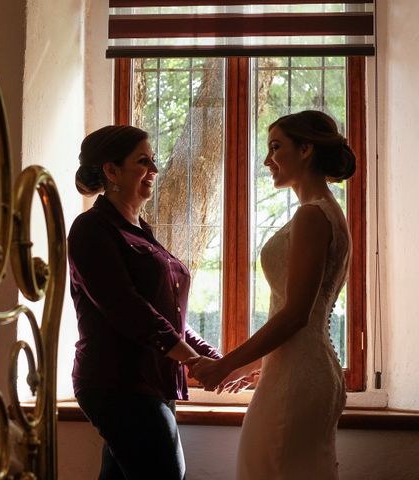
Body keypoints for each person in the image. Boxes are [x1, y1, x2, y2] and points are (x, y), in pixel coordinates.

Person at [186, 110, 356, 479]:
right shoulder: (328, 212)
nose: (267, 159)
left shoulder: (313, 216)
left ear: (306, 148)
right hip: (304, 368)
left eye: (276, 147)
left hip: (298, 375)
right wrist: (255, 365)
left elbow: (296, 314)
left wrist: (225, 363)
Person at [68, 125, 222, 480]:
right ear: (111, 170)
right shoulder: (91, 229)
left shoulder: (143, 232)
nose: (154, 170)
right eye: (143, 161)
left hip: (152, 380)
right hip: (116, 382)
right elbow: (127, 307)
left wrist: (212, 356)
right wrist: (190, 359)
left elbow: (169, 313)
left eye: (153, 161)